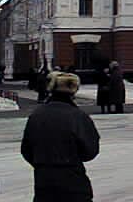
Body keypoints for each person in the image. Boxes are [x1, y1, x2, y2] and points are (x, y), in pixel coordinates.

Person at [21, 71, 100, 202]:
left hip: (43, 182)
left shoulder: (36, 115)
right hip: (73, 181)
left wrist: (43, 163)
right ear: (73, 92)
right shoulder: (78, 117)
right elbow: (90, 151)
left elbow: (26, 149)